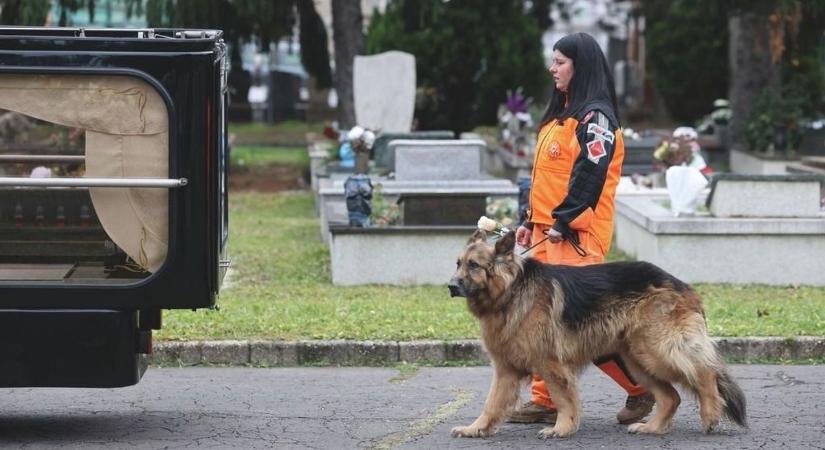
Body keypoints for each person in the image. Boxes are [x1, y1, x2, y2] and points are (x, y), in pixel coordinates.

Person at [508, 32, 655, 425]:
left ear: (581, 66)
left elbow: (591, 175)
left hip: (575, 237)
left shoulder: (596, 120)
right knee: (541, 324)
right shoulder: (561, 116)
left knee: (585, 329)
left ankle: (643, 389)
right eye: (553, 61)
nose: (552, 68)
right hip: (547, 233)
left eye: (560, 62)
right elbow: (547, 178)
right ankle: (545, 400)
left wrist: (564, 220)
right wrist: (530, 221)